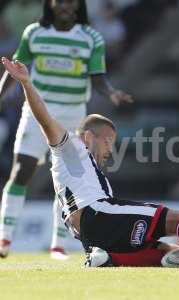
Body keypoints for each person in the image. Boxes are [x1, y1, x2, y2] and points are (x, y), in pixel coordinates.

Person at [1, 57, 179, 268]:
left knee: (160, 249)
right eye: (107, 141)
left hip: (87, 234)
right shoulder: (71, 146)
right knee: (177, 218)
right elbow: (45, 119)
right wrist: (26, 83)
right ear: (87, 136)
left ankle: (109, 259)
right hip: (97, 214)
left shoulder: (88, 174)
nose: (109, 149)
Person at [0, 0, 133, 260]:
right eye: (60, 1)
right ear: (51, 5)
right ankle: (4, 238)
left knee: (68, 181)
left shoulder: (91, 37)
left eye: (70, 2)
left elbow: (97, 77)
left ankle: (58, 245)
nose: (65, 6)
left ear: (77, 6)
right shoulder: (34, 33)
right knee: (21, 171)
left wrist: (112, 92)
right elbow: (15, 71)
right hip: (37, 113)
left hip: (73, 117)